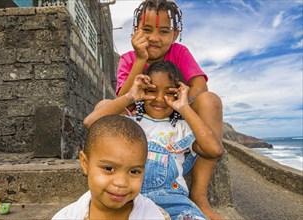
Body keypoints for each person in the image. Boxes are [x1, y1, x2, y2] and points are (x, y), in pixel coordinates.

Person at [115, 1, 224, 219]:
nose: (154, 37)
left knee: (210, 100)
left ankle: (199, 196)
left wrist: (174, 104)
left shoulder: (179, 52)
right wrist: (141, 59)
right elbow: (123, 100)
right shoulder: (129, 58)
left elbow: (200, 86)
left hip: (177, 118)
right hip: (137, 120)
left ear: (174, 35)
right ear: (135, 31)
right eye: (147, 30)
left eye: (163, 31)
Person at [84, 61, 224, 220]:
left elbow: (214, 150)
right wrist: (130, 96)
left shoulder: (182, 127)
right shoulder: (128, 123)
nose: (159, 99)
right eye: (152, 90)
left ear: (179, 92)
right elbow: (91, 123)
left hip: (173, 201)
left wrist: (184, 107)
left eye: (169, 92)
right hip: (127, 198)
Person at [53, 115, 170, 220]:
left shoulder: (155, 215)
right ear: (85, 163)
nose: (121, 183)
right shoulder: (66, 216)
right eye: (109, 169)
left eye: (134, 171)